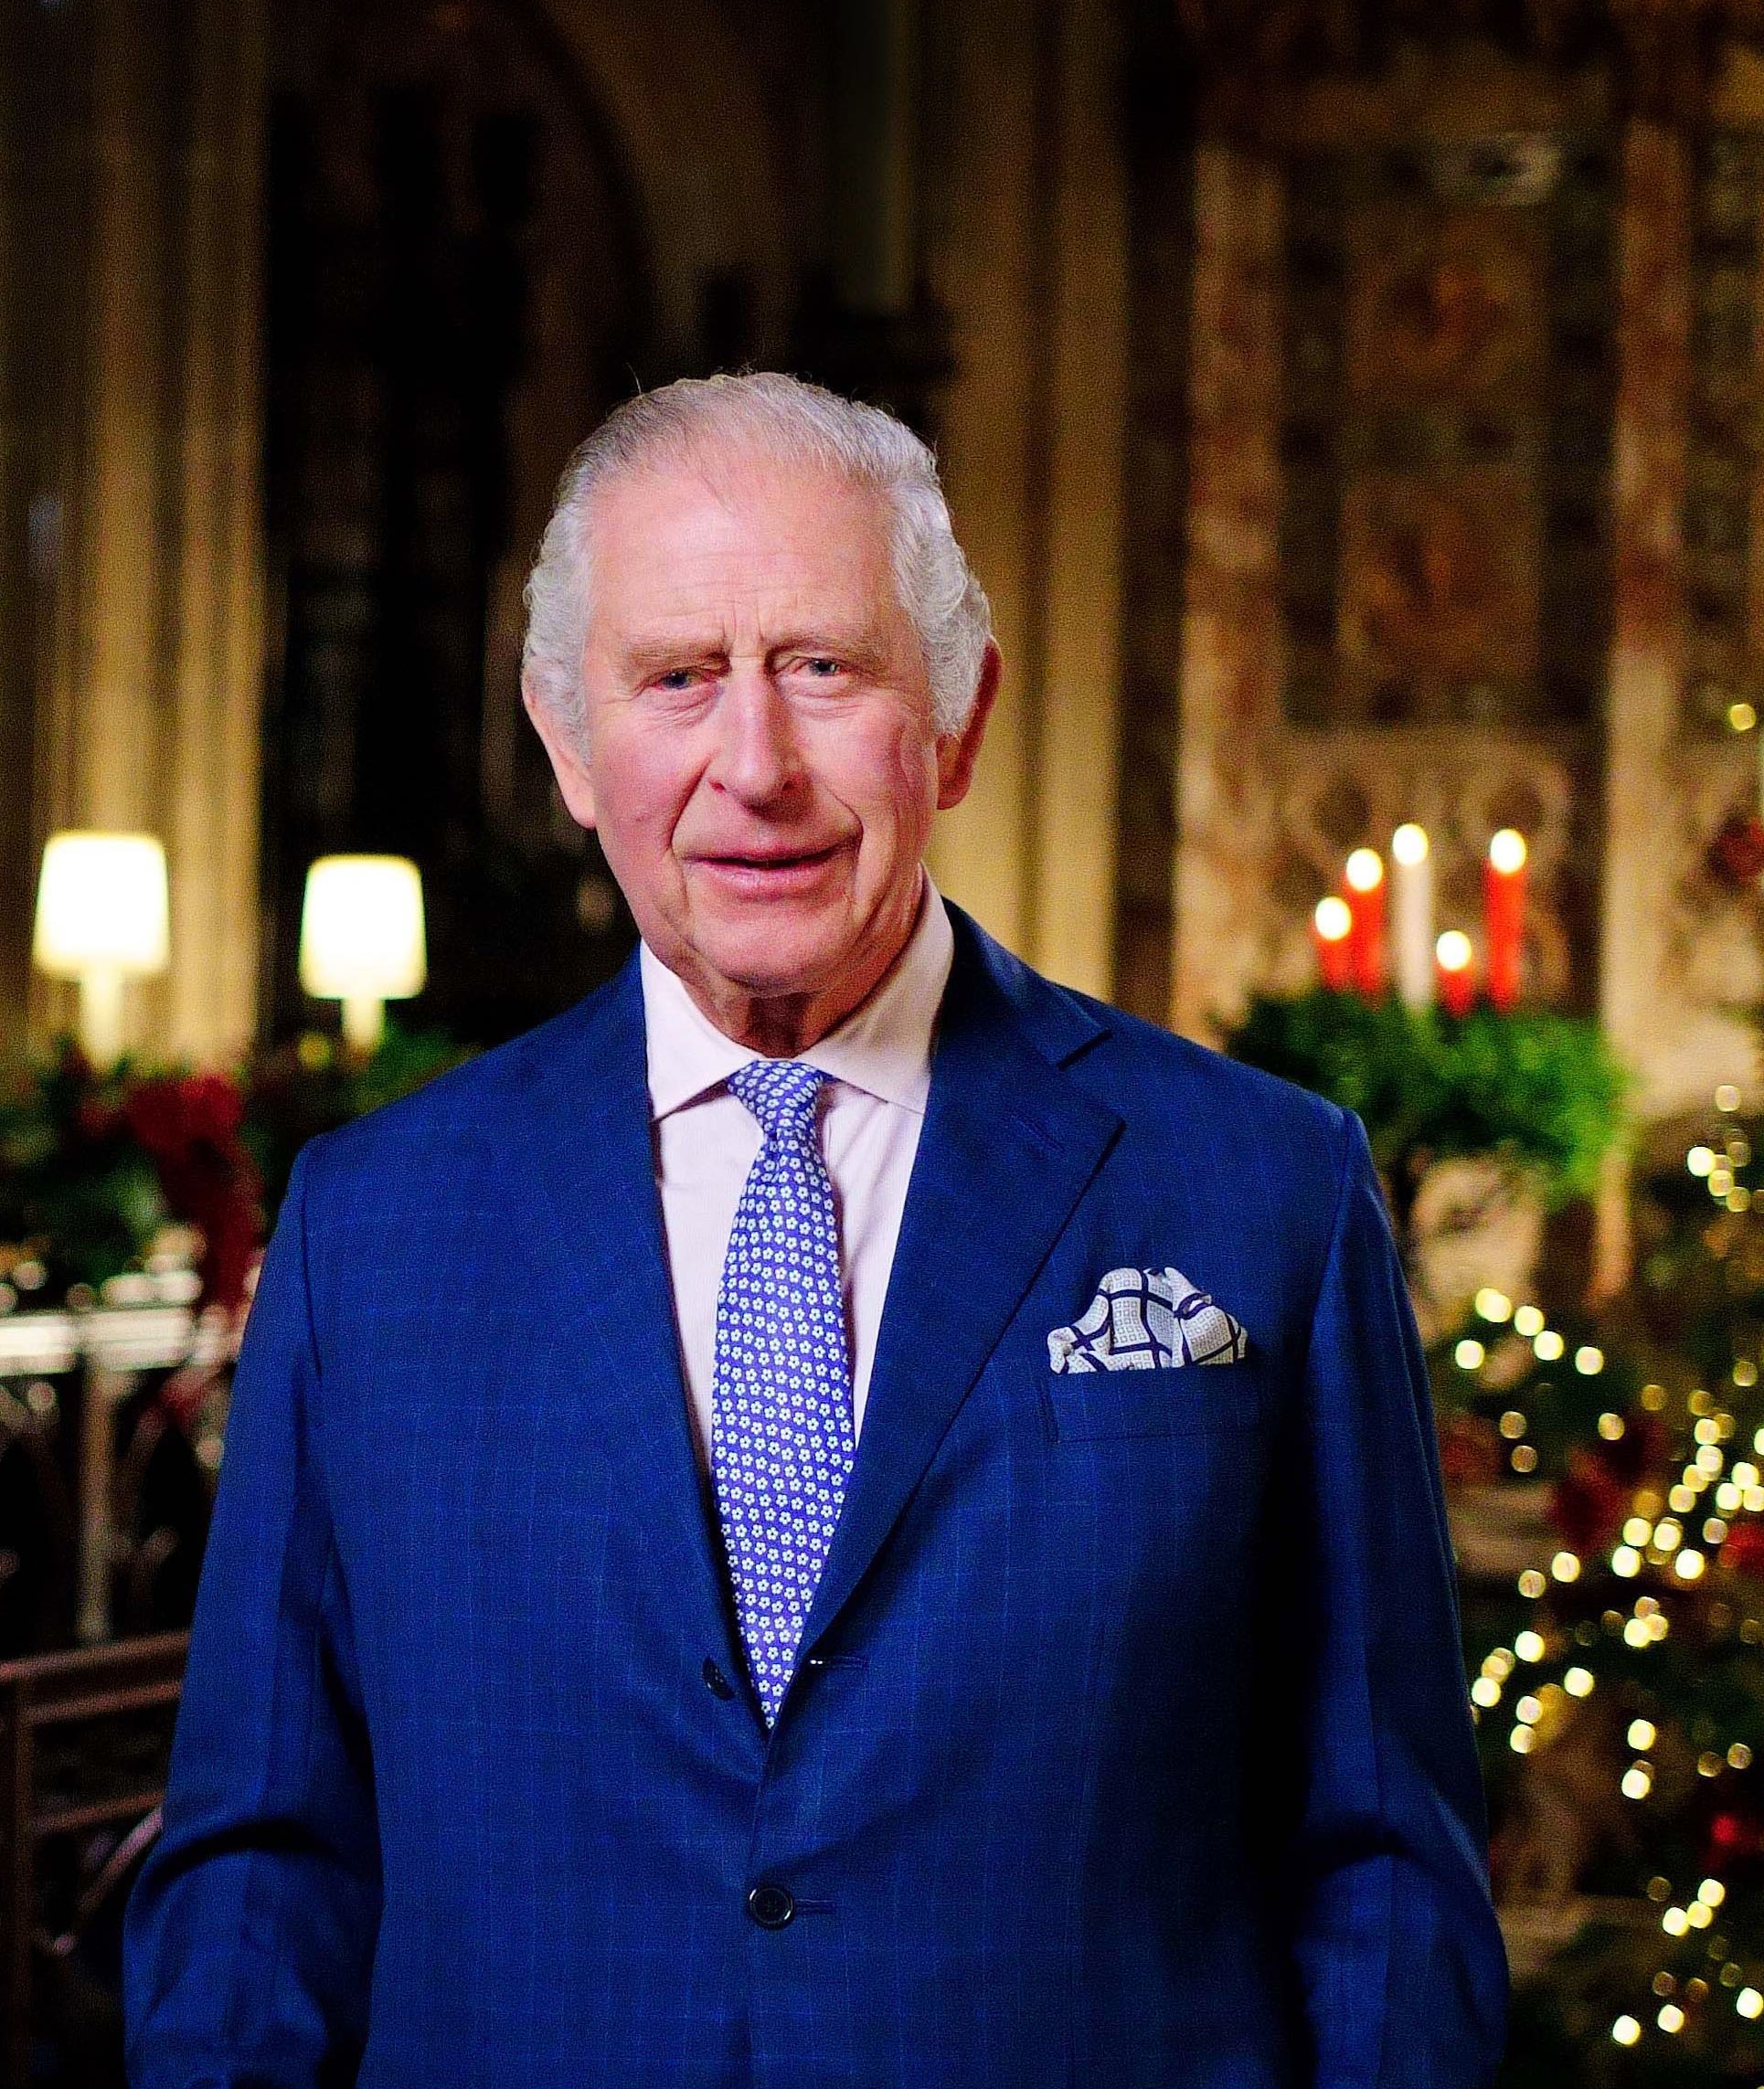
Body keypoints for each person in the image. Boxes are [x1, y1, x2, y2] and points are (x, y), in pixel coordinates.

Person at [122, 372, 1504, 2085]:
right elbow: (262, 1873)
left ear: (961, 719)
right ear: (563, 738)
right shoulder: (372, 1227)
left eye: (825, 669)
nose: (753, 766)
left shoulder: (1261, 1189)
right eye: (677, 676)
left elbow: (1382, 1869)